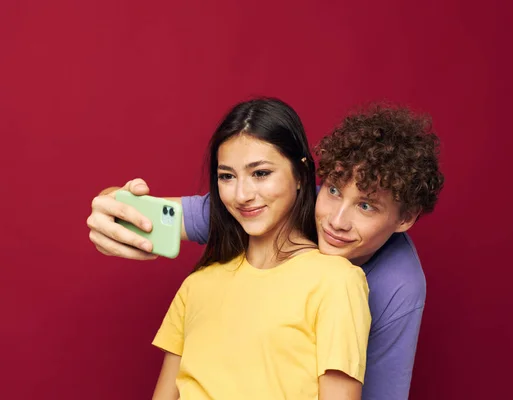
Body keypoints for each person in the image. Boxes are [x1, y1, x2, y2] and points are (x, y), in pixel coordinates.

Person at [87, 101, 444, 400]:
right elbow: (145, 215)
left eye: (366, 207)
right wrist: (109, 204)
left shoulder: (392, 284)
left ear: (405, 219)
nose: (336, 221)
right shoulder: (268, 210)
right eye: (333, 190)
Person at [122, 98, 371, 399]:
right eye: (227, 176)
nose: (241, 195)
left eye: (261, 173)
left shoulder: (336, 280)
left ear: (301, 176)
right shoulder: (197, 285)